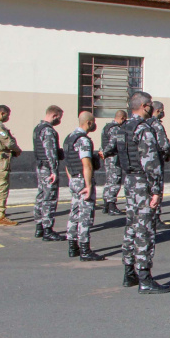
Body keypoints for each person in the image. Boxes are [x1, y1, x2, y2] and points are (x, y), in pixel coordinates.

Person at [106, 91, 170, 293]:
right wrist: (156, 190)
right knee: (145, 230)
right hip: (143, 183)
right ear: (144, 106)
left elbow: (109, 150)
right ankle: (145, 278)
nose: (152, 108)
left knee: (131, 228)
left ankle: (129, 272)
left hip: (130, 182)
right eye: (150, 105)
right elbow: (151, 163)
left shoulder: (122, 128)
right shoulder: (144, 129)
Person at [63, 112, 105, 262]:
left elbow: (67, 162)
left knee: (74, 213)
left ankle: (72, 246)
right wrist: (88, 185)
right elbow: (86, 164)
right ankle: (85, 250)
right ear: (88, 123)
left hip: (74, 179)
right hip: (82, 180)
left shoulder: (69, 138)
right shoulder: (83, 141)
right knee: (85, 216)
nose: (94, 125)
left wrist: (72, 179)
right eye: (93, 122)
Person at [32, 105, 65, 241]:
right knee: (49, 198)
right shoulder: (48, 131)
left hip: (40, 167)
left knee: (41, 196)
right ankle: (48, 230)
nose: (59, 121)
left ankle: (39, 227)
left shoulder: (37, 129)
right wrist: (54, 171)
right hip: (47, 168)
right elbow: (50, 152)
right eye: (59, 118)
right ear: (54, 115)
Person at [147, 101, 170, 230]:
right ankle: (155, 218)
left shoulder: (143, 123)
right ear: (157, 110)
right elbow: (164, 145)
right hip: (156, 162)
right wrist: (168, 154)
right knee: (156, 190)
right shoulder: (156, 125)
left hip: (143, 164)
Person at [100, 110, 127, 215]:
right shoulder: (116, 129)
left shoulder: (106, 127)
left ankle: (106, 205)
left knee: (108, 181)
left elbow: (104, 142)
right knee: (115, 181)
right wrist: (105, 152)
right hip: (114, 157)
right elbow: (113, 143)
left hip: (107, 158)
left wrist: (103, 153)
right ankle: (112, 206)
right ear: (122, 118)